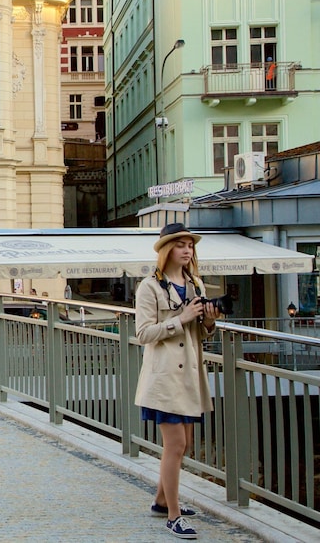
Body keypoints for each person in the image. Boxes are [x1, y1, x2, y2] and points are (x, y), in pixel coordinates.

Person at [134, 223, 220, 540]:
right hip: (164, 377)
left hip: (189, 377)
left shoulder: (195, 284)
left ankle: (160, 501)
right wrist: (179, 319)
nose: (187, 250)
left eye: (190, 246)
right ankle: (173, 515)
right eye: (181, 245)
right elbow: (143, 334)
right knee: (176, 445)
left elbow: (200, 334)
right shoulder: (149, 287)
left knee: (183, 446)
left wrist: (208, 321)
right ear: (167, 250)